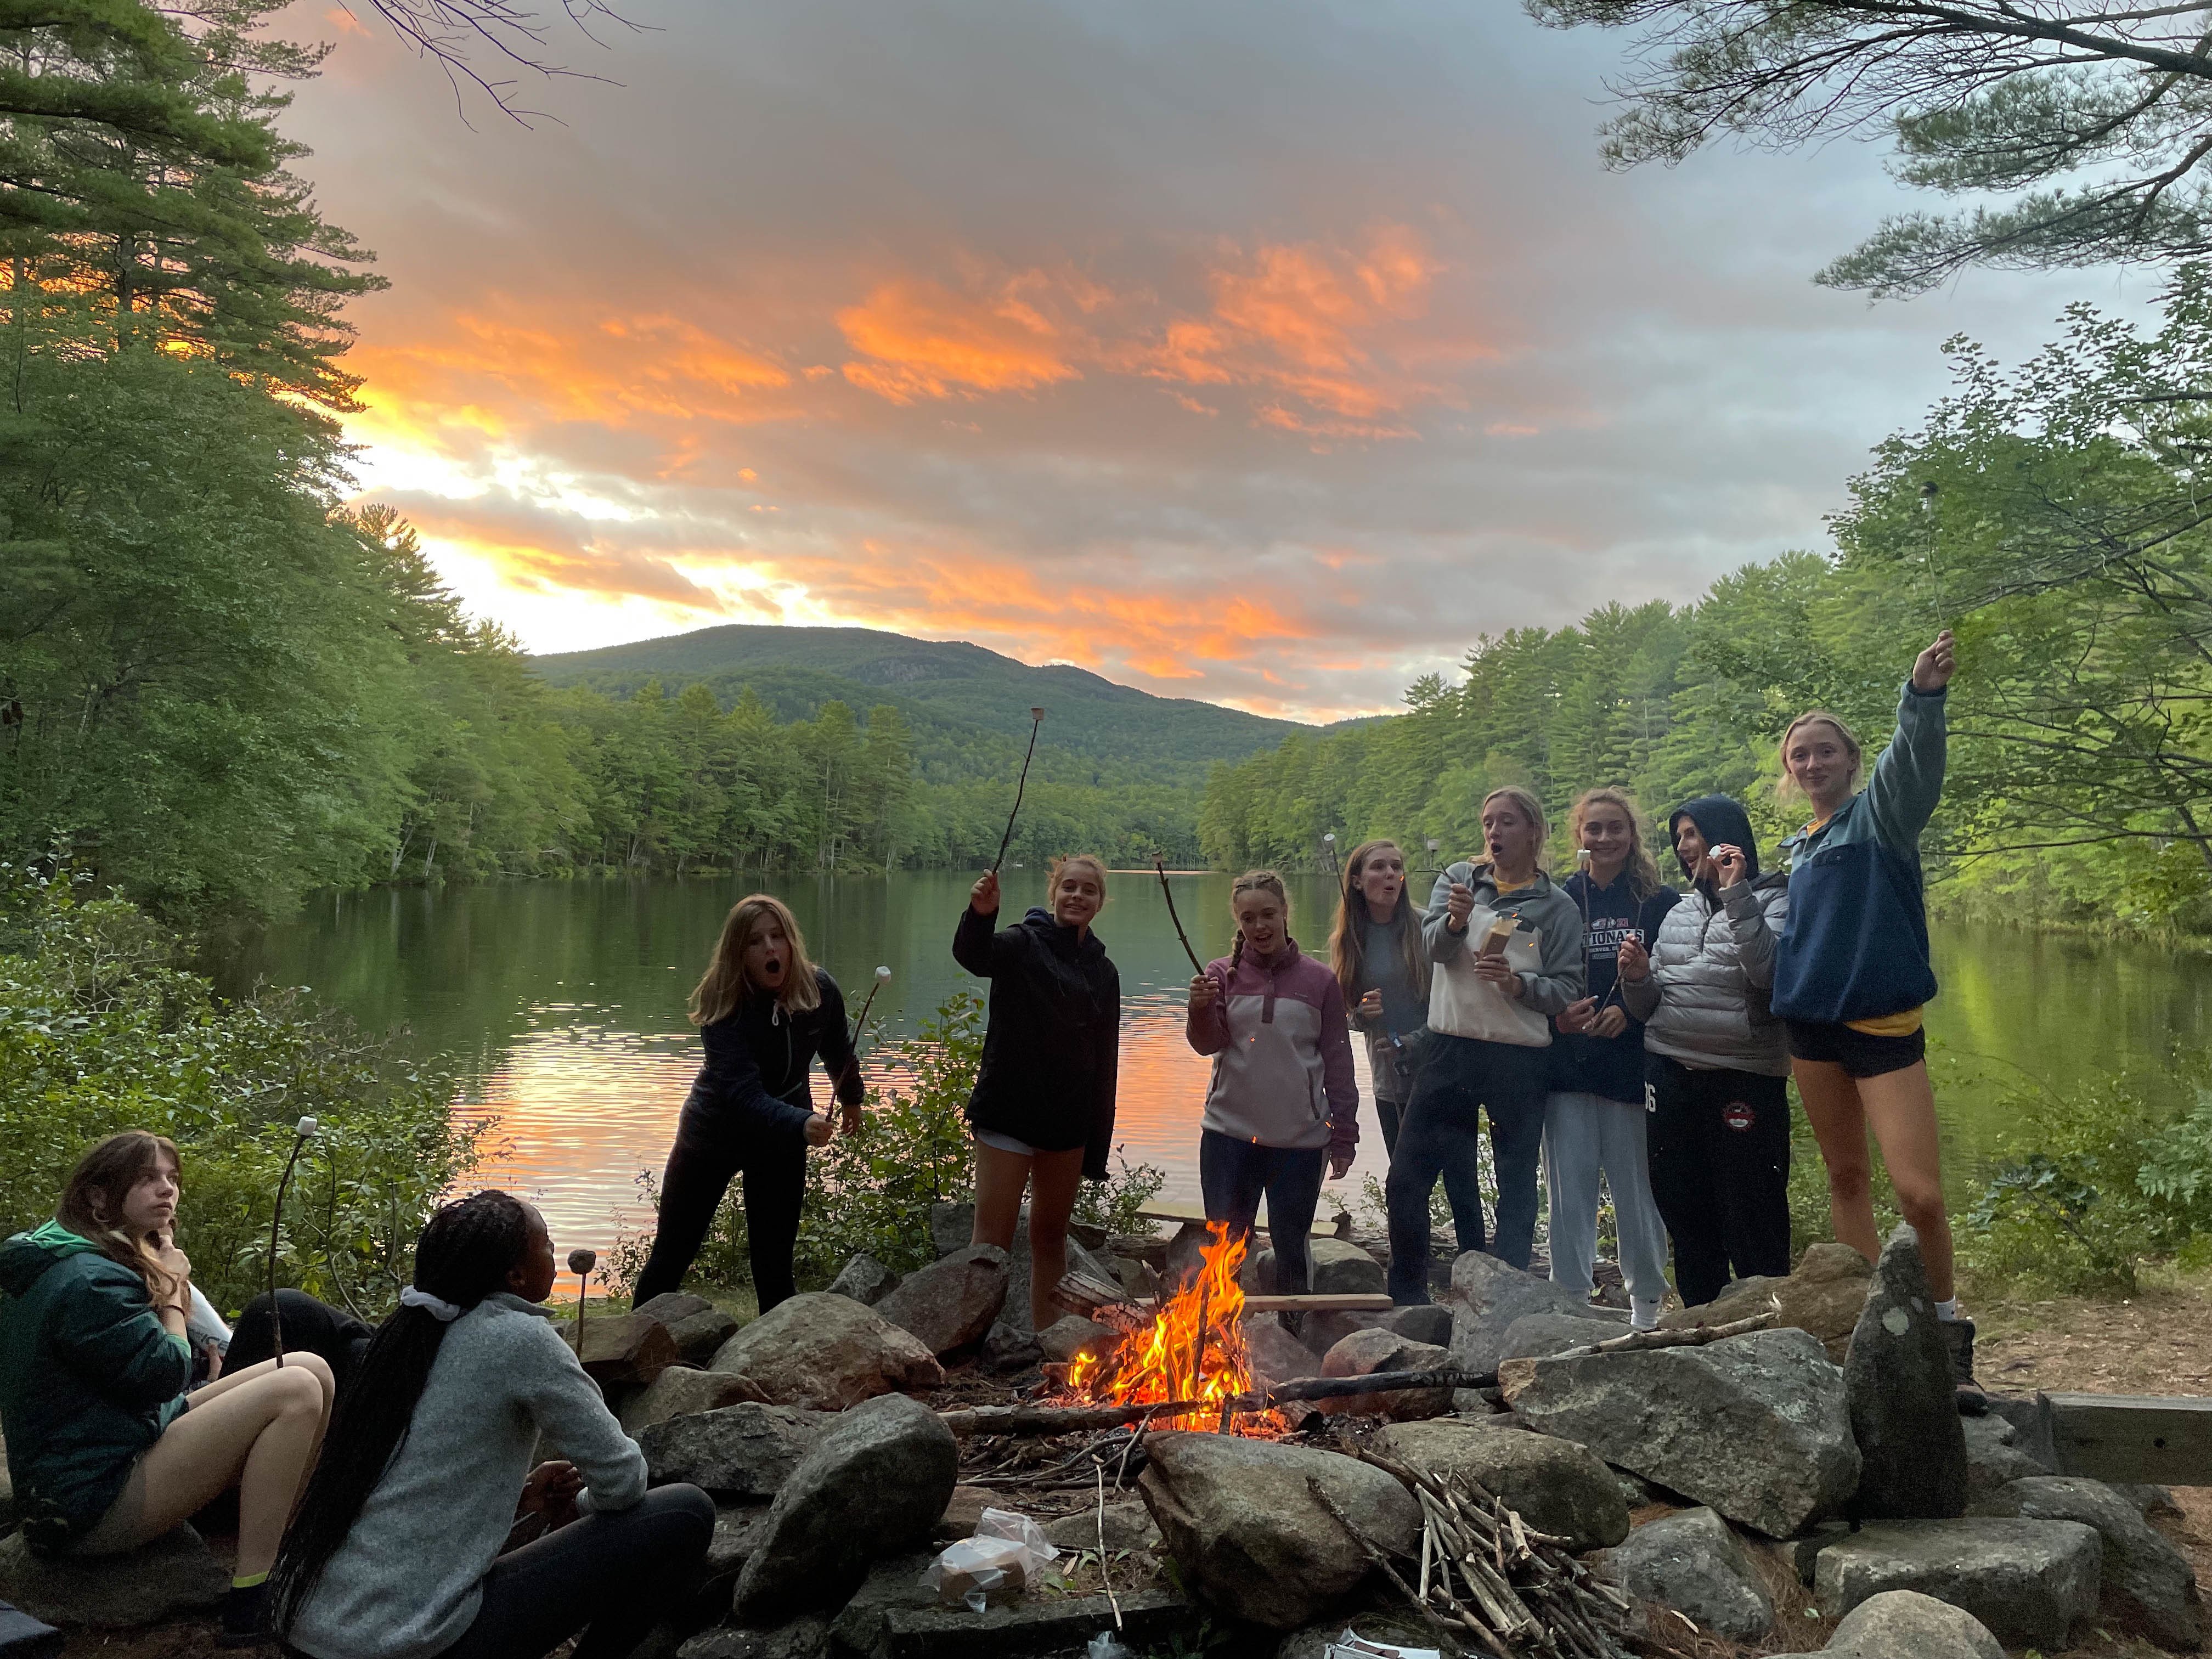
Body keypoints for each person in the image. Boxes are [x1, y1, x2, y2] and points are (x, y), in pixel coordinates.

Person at [274, 1190, 713, 1659]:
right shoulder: (520, 1339)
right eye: (546, 1244)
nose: (555, 1251)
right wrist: (584, 1504)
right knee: (685, 1512)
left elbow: (410, 1481)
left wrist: (521, 1496)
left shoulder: (408, 1332)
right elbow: (623, 1481)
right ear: (516, 1275)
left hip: (307, 1632)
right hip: (403, 1644)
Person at [0, 1132, 335, 1644]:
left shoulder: (60, 1253)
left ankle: (282, 1547)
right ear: (96, 1196)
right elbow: (165, 1375)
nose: (167, 1191)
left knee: (310, 1366)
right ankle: (253, 1598)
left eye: (172, 1179)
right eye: (146, 1179)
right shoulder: (90, 1282)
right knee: (295, 1391)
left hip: (109, 1450)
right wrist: (174, 1296)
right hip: (88, 1506)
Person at [1770, 629, 1979, 1406]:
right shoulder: (1800, 846)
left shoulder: (1881, 819)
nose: (1814, 763)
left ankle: (1947, 1328)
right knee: (1846, 1176)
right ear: (1791, 772)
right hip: (1811, 1030)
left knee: (1918, 1191)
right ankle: (1871, 1325)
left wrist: (1921, 698)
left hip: (1883, 1026)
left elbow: (1914, 767)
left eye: (1826, 751)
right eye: (1801, 756)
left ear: (1850, 760)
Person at [1387, 787, 1585, 1303]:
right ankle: (1407, 1296)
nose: (1494, 833)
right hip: (1450, 1048)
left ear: (1534, 832)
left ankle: (1507, 1299)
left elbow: (1567, 988)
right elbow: (1431, 948)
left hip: (1518, 1059)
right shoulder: (1458, 880)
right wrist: (1455, 922)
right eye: (1488, 823)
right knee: (1408, 1176)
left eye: (1507, 823)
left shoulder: (1556, 906)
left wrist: (1518, 986)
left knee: (1516, 1184)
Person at [631, 894, 865, 1312]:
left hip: (781, 1139)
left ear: (792, 941)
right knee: (672, 1257)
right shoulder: (723, 1004)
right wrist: (801, 1122)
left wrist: (851, 1099)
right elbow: (742, 1095)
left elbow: (837, 1050)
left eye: (778, 936)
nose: (771, 949)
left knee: (775, 1269)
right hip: (714, 1134)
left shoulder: (820, 989)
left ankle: (769, 1367)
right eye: (757, 941)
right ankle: (627, 1359)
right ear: (739, 953)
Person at [1617, 794, 1794, 1308]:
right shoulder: (1677, 912)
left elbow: (1771, 976)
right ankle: (1701, 1325)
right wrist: (1637, 978)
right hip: (1669, 1075)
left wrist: (1737, 894)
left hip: (1742, 1078)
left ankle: (1767, 1326)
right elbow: (1650, 1006)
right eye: (1679, 838)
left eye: (1693, 834)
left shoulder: (1777, 901)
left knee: (1753, 1211)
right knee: (1685, 1212)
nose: (1684, 846)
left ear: (1727, 839)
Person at [954, 855, 1120, 1333]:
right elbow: (974, 956)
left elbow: (1104, 1062)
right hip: (1009, 1114)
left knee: (1051, 1236)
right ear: (1054, 894)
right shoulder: (1022, 943)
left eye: (1089, 890)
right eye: (1069, 887)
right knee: (991, 1242)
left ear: (1099, 902)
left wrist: (1095, 1141)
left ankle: (1048, 1341)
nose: (1077, 896)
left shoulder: (1103, 971)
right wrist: (980, 915)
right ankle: (968, 1336)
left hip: (1066, 1125)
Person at [1544, 789, 1679, 1330]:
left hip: (1632, 1068)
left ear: (1632, 835)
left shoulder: (1659, 901)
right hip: (1567, 1068)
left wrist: (1627, 1008)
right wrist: (1558, 1015)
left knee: (1637, 1193)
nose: (1603, 838)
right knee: (1568, 1196)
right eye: (1593, 829)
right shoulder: (1558, 899)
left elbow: (1671, 978)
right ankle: (1570, 1305)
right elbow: (1539, 981)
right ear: (1578, 835)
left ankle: (1646, 1306)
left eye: (1614, 828)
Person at [1189, 870, 1359, 1293]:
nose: (1259, 927)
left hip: (1299, 1144)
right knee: (1225, 1248)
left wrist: (1345, 1135)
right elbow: (1207, 1044)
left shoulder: (1320, 981)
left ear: (1285, 912)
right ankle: (1219, 1347)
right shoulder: (1220, 974)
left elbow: (1338, 1062)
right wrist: (1199, 1009)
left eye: (1268, 914)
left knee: (1291, 1249)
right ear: (1238, 921)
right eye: (1248, 919)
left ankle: (1295, 1338)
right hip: (1228, 1136)